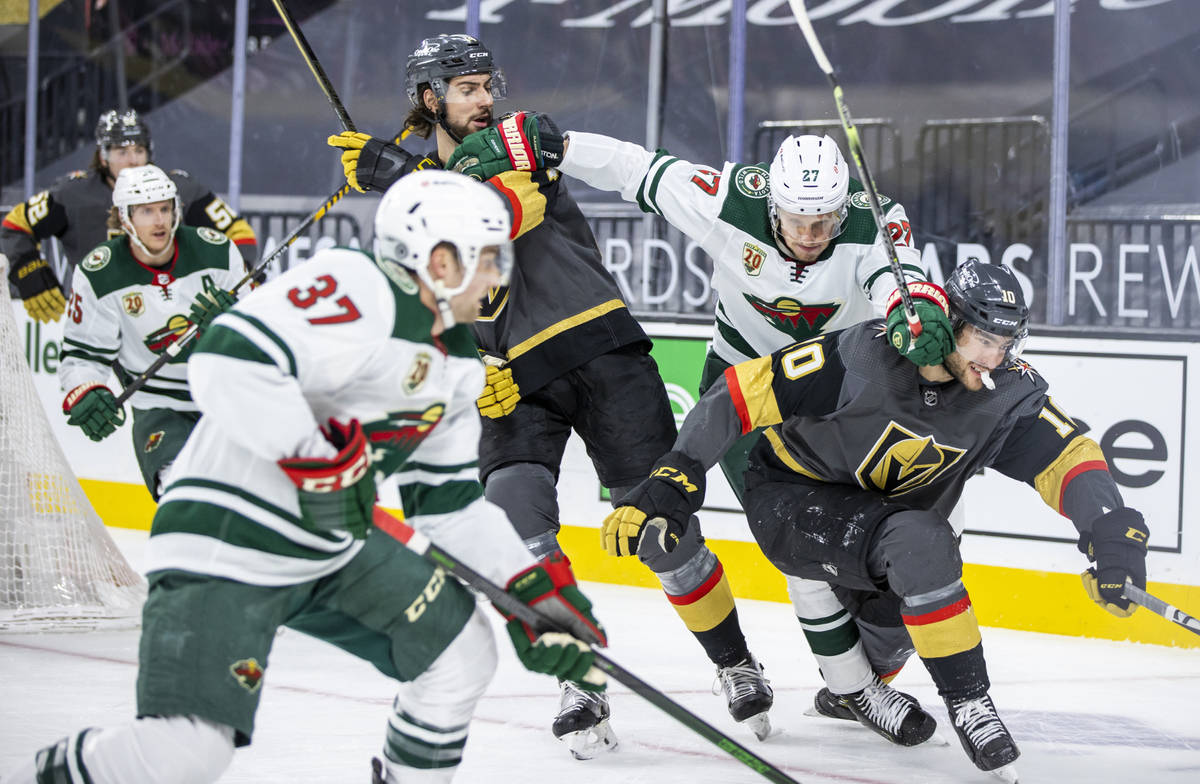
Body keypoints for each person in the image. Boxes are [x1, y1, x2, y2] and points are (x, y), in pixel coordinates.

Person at [4, 170, 608, 784]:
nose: (500, 274)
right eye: (491, 257)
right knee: (186, 755)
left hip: (327, 546)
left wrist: (532, 590)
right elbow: (227, 359)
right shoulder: (357, 284)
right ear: (442, 261)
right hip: (227, 534)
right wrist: (315, 458)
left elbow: (449, 506)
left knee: (462, 653)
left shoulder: (456, 366)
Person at [327, 33, 774, 754]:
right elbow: (427, 296)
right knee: (517, 527)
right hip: (511, 378)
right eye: (465, 88)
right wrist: (472, 364)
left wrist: (409, 179)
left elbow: (500, 221)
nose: (483, 100)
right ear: (428, 98)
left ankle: (736, 664)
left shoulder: (511, 141)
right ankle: (578, 676)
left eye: (485, 85)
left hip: (599, 345)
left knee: (664, 533)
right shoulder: (409, 204)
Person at [448, 121, 957, 737]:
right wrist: (552, 144)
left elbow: (897, 281)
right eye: (797, 222)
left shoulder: (873, 220)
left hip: (839, 394)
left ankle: (860, 673)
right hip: (745, 392)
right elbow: (634, 168)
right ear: (770, 199)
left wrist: (915, 313)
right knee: (795, 539)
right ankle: (846, 686)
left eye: (824, 224)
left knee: (904, 557)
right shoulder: (728, 199)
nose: (810, 239)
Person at [597, 258, 1150, 781]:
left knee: (915, 578)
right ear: (950, 324)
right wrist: (676, 474)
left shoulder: (1004, 392)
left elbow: (1069, 456)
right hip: (794, 498)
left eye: (1008, 344)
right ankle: (968, 702)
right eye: (985, 339)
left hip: (884, 521)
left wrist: (1110, 530)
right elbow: (737, 394)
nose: (996, 359)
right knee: (923, 541)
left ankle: (855, 690)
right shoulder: (865, 354)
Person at [58, 163, 244, 500]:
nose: (159, 221)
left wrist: (233, 323)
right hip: (159, 404)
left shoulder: (216, 250)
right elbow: (81, 356)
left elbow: (260, 334)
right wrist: (86, 389)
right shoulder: (100, 272)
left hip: (227, 396)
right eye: (146, 211)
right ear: (124, 217)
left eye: (164, 208)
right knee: (180, 492)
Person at [2, 108, 257, 323]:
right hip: (98, 318)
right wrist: (29, 271)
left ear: (150, 152)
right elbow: (16, 225)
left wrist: (237, 280)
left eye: (138, 150)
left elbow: (239, 234)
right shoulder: (73, 194)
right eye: (121, 152)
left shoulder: (180, 189)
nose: (132, 160)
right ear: (103, 156)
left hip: (175, 319)